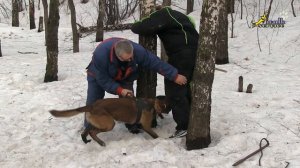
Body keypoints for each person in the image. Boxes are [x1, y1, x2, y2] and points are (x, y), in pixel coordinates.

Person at [85, 37, 187, 134]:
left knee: (129, 102)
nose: (131, 60)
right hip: (97, 75)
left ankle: (131, 124)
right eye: (127, 59)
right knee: (93, 102)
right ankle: (89, 128)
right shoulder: (100, 54)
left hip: (125, 75)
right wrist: (120, 90)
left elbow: (155, 62)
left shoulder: (137, 51)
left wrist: (174, 75)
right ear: (118, 56)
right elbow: (103, 80)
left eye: (131, 57)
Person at [131, 6, 199, 138]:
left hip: (181, 55)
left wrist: (144, 19)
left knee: (175, 91)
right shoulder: (181, 16)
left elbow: (140, 27)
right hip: (196, 52)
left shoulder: (163, 14)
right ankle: (191, 122)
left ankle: (184, 127)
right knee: (185, 88)